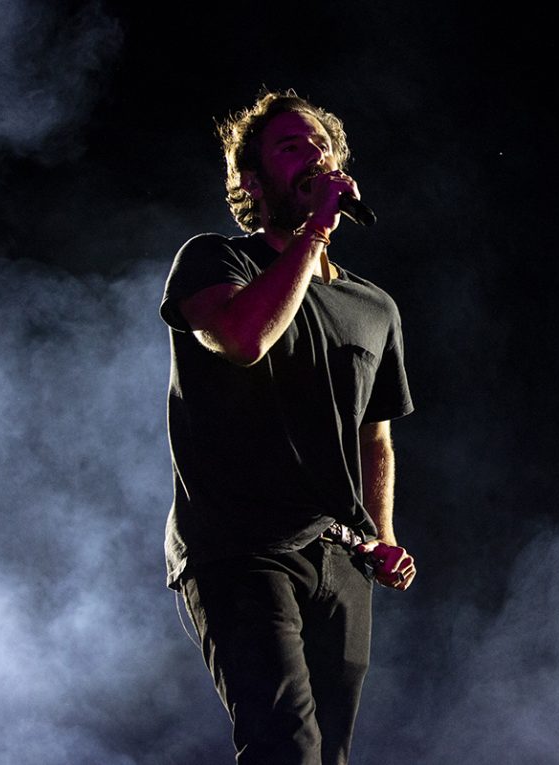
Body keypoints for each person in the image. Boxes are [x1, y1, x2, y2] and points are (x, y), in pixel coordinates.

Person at [158, 87, 417, 765]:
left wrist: (383, 536)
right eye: (290, 147)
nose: (314, 156)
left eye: (322, 146)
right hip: (241, 546)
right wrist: (314, 236)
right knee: (284, 747)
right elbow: (243, 339)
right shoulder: (216, 260)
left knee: (329, 755)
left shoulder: (374, 306)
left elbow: (375, 436)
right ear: (251, 180)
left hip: (342, 555)